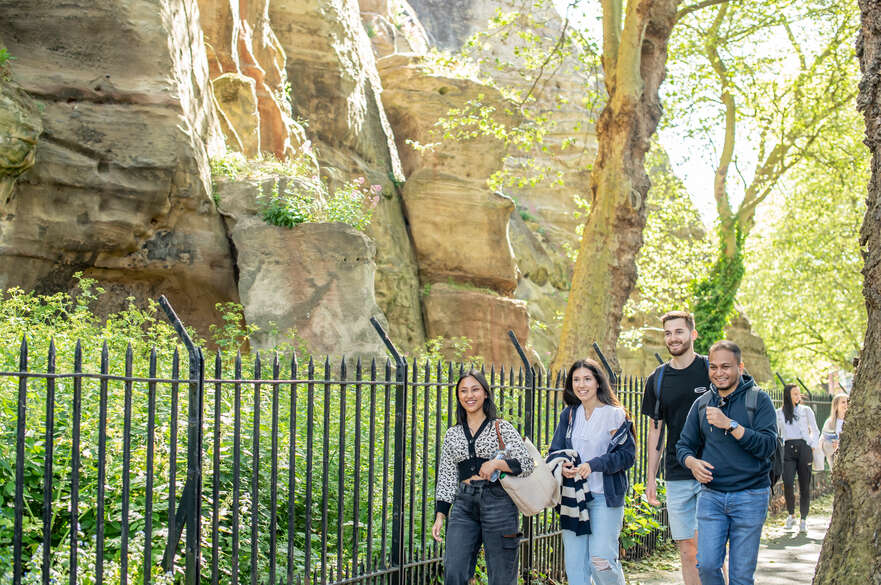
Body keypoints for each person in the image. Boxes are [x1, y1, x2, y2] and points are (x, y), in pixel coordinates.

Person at [676, 340, 778, 585]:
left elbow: (768, 446)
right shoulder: (701, 404)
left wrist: (730, 425)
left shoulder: (758, 400)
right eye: (713, 367)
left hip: (751, 495)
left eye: (725, 367)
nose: (718, 373)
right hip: (711, 496)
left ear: (740, 368)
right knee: (708, 566)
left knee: (741, 576)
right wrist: (692, 463)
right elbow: (683, 446)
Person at [431, 369, 535, 585]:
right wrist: (441, 514)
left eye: (475, 389)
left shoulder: (501, 428)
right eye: (464, 391)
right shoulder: (453, 434)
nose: (470, 395)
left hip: (498, 503)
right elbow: (447, 475)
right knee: (454, 571)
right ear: (459, 396)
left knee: (501, 576)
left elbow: (526, 464)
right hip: (464, 505)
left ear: (485, 393)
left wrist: (497, 463)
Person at [547, 358, 635, 585]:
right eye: (576, 380)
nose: (581, 384)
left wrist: (593, 464)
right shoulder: (568, 415)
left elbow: (627, 456)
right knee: (575, 566)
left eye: (587, 379)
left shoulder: (615, 414)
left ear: (598, 382)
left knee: (601, 559)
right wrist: (564, 465)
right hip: (573, 499)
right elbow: (555, 451)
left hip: (604, 498)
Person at [640, 310, 710, 585]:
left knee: (711, 550)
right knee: (686, 550)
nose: (673, 338)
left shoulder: (710, 370)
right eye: (668, 333)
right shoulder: (657, 379)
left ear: (692, 334)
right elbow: (655, 431)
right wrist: (650, 479)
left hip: (713, 471)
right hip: (677, 473)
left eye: (679, 331)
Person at [776, 384, 820, 532]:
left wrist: (811, 445)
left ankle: (804, 518)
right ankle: (791, 514)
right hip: (788, 448)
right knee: (788, 482)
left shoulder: (805, 411)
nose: (798, 396)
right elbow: (777, 432)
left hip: (804, 447)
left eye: (799, 394)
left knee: (805, 485)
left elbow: (815, 429)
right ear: (787, 395)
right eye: (794, 394)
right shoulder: (779, 413)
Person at [819, 392, 849, 469]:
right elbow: (825, 439)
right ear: (836, 406)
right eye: (843, 402)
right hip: (834, 456)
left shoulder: (853, 421)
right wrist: (833, 445)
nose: (846, 404)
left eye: (848, 402)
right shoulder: (829, 422)